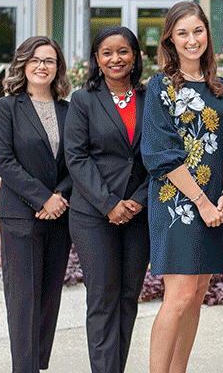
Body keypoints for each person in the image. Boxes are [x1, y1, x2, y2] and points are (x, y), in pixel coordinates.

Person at [140, 1, 223, 373]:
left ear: (207, 35)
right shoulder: (160, 87)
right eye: (182, 33)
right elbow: (161, 155)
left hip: (213, 207)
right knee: (179, 296)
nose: (191, 39)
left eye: (197, 31)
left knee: (198, 293)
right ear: (170, 38)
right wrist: (202, 202)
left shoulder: (220, 88)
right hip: (179, 206)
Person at [63, 26, 151, 373]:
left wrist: (140, 200)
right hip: (93, 214)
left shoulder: (151, 97)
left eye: (123, 51)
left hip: (139, 212)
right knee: (102, 298)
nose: (116, 59)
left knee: (129, 298)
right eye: (107, 53)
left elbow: (161, 155)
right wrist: (109, 203)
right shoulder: (84, 100)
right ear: (97, 60)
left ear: (134, 57)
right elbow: (77, 156)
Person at [0, 36, 72, 373]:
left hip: (60, 214)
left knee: (50, 295)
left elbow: (78, 160)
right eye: (35, 59)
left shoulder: (70, 110)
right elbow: (4, 162)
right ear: (22, 64)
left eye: (49, 60)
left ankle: (38, 363)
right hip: (20, 215)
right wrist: (43, 198)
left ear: (58, 68)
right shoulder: (6, 107)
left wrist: (60, 197)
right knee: (23, 299)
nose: (42, 66)